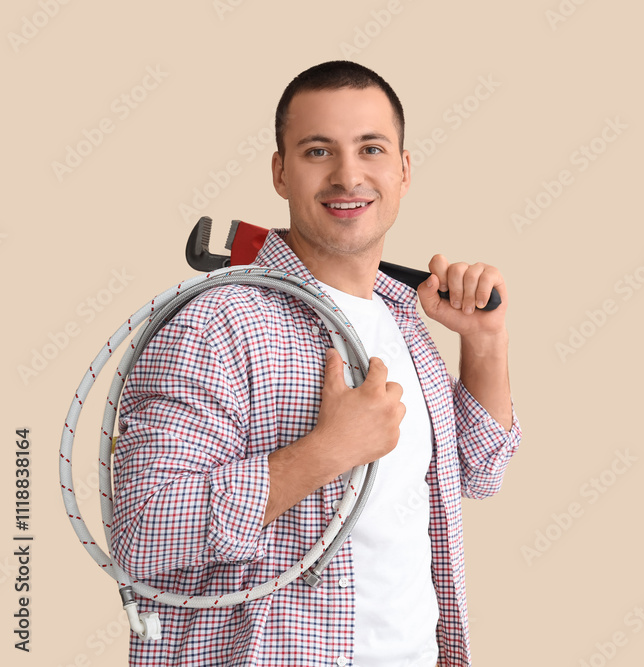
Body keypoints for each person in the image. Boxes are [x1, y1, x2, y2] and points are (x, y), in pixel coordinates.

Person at [110, 60, 521, 667]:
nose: (348, 175)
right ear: (280, 172)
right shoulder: (216, 323)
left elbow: (479, 474)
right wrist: (326, 452)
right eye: (317, 150)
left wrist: (484, 344)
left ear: (404, 171)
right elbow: (142, 534)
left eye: (371, 148)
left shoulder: (404, 315)